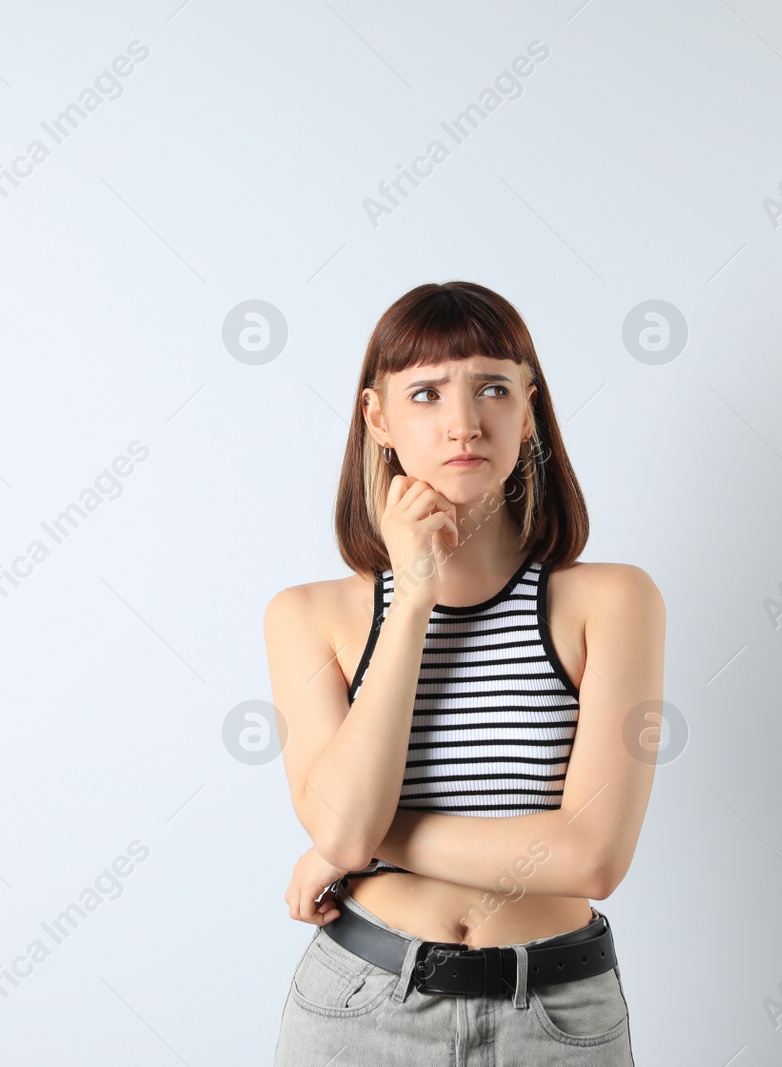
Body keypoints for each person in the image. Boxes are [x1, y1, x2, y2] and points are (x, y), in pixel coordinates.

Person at [264, 280, 665, 1065]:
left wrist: (365, 844)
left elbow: (593, 858)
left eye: (492, 386)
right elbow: (342, 828)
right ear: (377, 417)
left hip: (559, 1017)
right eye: (425, 392)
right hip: (361, 1006)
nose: (463, 422)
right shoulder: (308, 616)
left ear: (529, 409)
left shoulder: (611, 601)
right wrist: (410, 599)